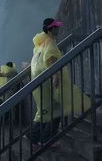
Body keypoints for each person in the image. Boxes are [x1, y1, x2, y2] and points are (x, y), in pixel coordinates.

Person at [29, 18, 90, 148]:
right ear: (51, 29)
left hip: (39, 83)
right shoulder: (50, 43)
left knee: (43, 112)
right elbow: (51, 60)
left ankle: (33, 139)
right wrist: (56, 77)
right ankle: (47, 140)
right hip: (47, 83)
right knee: (55, 111)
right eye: (56, 27)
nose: (58, 29)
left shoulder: (41, 44)